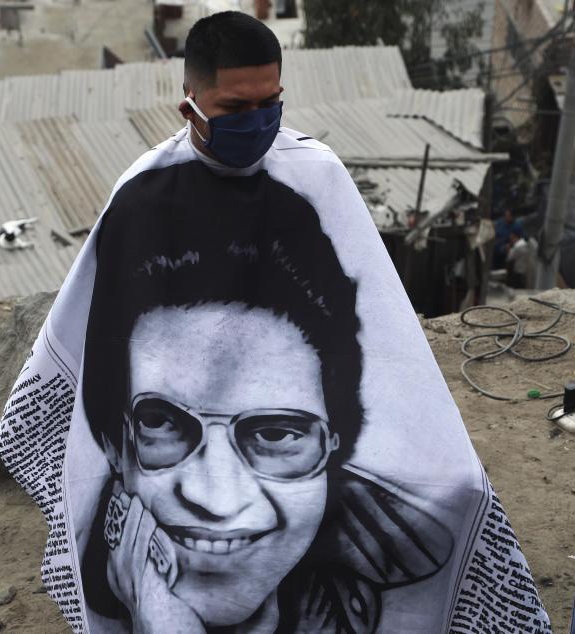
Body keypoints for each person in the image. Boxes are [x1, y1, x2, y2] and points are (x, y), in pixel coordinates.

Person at [0, 11, 552, 634]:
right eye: (236, 107)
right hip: (171, 437)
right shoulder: (143, 195)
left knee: (458, 491)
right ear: (191, 106)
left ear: (334, 437)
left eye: (272, 103)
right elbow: (89, 339)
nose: (258, 122)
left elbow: (384, 329)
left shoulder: (318, 178)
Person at [79, 163, 453, 633]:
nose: (216, 500)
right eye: (162, 422)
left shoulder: (390, 572)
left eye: (275, 433)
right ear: (114, 441)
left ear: (336, 445)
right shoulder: (83, 551)